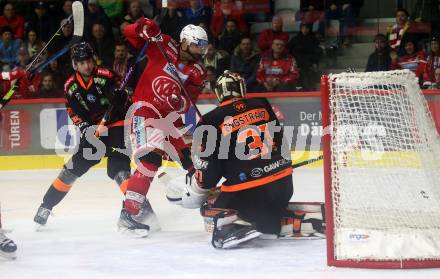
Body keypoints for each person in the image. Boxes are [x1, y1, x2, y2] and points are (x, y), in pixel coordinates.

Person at [166, 71, 294, 248]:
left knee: (210, 205)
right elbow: (281, 145)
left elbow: (209, 174)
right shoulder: (262, 104)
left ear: (219, 93)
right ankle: (271, 219)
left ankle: (232, 228)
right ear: (242, 88)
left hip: (250, 194)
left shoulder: (210, 120)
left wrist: (196, 190)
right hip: (284, 186)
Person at [33, 42, 135, 229]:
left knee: (118, 167)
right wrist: (85, 126)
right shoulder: (70, 86)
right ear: (75, 64)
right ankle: (46, 205)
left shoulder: (106, 76)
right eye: (81, 63)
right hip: (93, 129)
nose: (86, 66)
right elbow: (72, 110)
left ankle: (138, 208)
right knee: (73, 167)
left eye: (88, 61)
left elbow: (125, 98)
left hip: (116, 125)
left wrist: (120, 97)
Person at [121, 19, 208, 235]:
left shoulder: (198, 71)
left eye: (204, 46)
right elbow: (128, 34)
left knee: (192, 161)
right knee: (150, 159)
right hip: (145, 111)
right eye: (198, 45)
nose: (202, 50)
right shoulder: (164, 43)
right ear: (186, 42)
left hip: (170, 120)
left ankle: (209, 203)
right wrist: (142, 26)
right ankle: (128, 215)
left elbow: (190, 101)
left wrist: (180, 103)